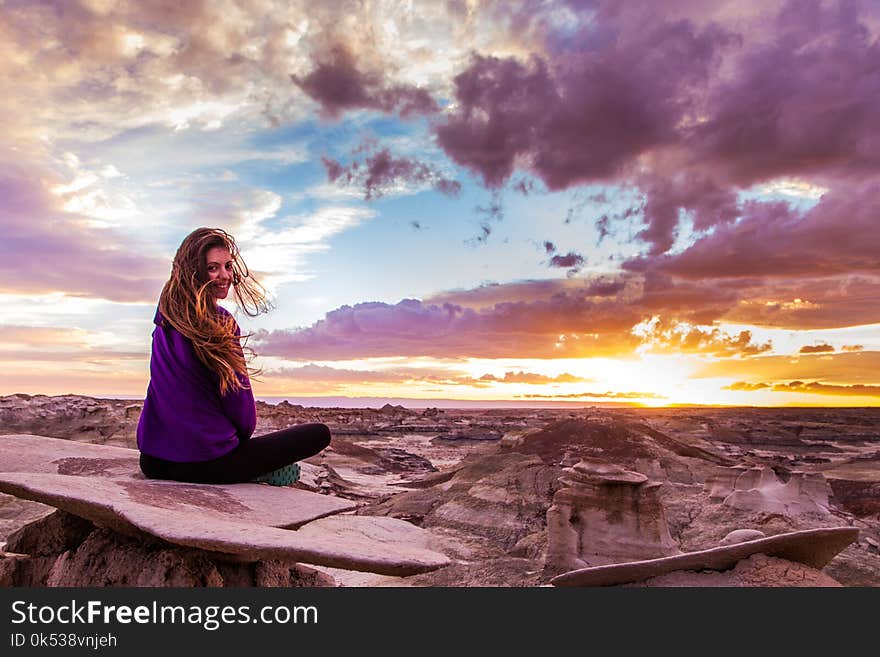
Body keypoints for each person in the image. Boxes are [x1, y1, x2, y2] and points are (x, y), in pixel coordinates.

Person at [137, 227, 330, 485]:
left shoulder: (164, 321)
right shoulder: (220, 323)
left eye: (228, 266)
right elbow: (242, 411)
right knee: (319, 433)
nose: (225, 275)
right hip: (208, 465)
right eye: (213, 268)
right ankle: (255, 471)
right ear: (193, 270)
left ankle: (250, 468)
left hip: (152, 461)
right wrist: (238, 445)